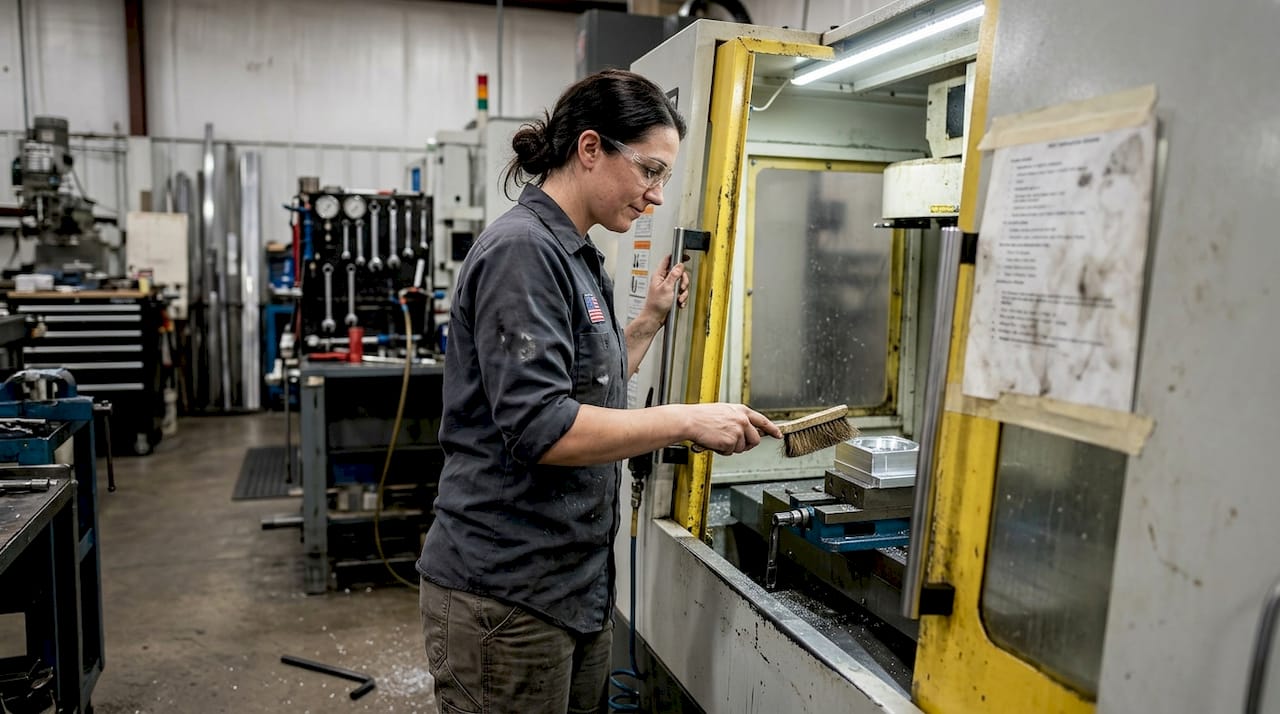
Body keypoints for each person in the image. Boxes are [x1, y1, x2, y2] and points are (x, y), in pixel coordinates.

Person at [416, 69, 782, 714]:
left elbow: (588, 388)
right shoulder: (522, 251)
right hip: (506, 594)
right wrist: (687, 420)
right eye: (649, 171)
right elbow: (544, 428)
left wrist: (646, 324)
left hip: (571, 586)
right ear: (590, 149)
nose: (656, 196)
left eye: (663, 177)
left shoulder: (577, 253)